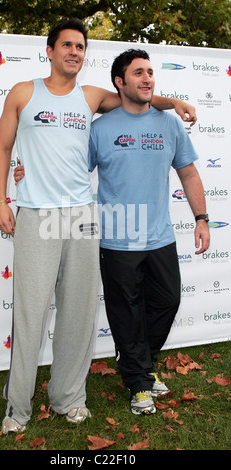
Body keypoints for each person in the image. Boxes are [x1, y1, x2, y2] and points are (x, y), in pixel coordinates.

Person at [0, 17, 198, 434]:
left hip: (84, 217)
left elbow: (138, 100)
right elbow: (2, 147)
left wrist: (174, 102)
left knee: (78, 314)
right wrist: (1, 200)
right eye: (66, 45)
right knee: (31, 313)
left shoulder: (91, 97)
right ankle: (17, 407)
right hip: (37, 214)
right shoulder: (23, 93)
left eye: (80, 47)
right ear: (49, 51)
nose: (74, 51)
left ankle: (69, 397)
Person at [88, 48, 210, 415]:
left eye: (150, 72)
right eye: (138, 73)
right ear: (119, 82)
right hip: (116, 239)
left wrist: (201, 217)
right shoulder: (100, 129)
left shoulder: (169, 123)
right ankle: (140, 383)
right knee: (125, 312)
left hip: (160, 236)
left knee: (167, 301)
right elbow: (73, 172)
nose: (147, 78)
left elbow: (188, 173)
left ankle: (139, 365)